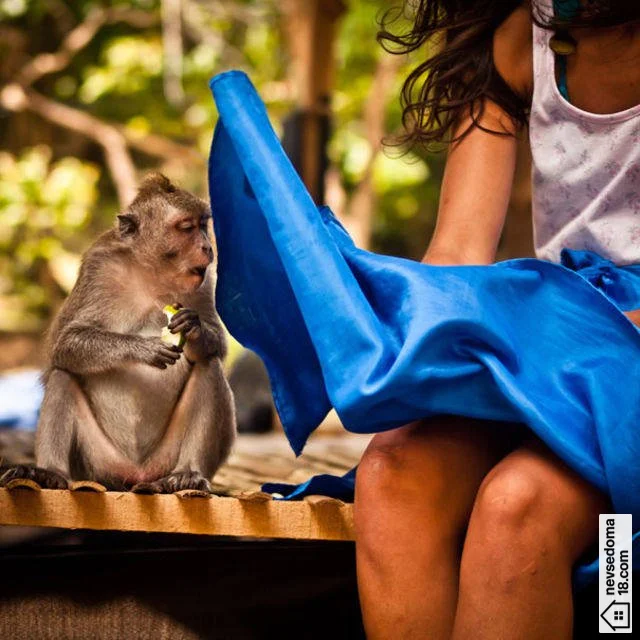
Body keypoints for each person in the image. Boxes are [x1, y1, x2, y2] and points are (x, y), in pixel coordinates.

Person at [354, 1, 640, 638]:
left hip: (605, 351)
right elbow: (457, 253)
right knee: (392, 474)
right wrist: (402, 347)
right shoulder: (520, 36)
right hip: (561, 339)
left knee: (517, 507)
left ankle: (613, 598)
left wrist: (558, 342)